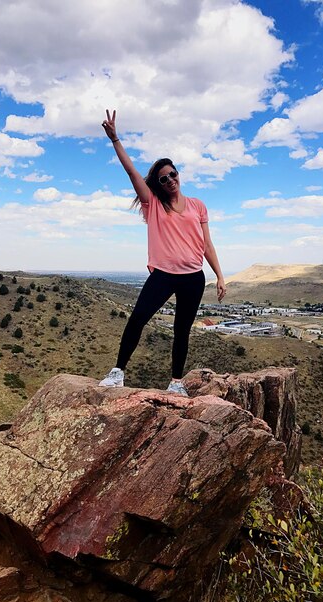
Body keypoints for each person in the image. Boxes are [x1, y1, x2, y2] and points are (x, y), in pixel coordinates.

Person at [99, 110, 226, 396]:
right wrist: (115, 139)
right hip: (163, 276)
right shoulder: (153, 205)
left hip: (193, 277)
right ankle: (118, 372)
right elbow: (131, 172)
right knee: (137, 319)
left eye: (172, 174)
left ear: (178, 174)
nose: (169, 180)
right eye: (163, 179)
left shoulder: (198, 206)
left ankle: (176, 383)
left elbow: (207, 244)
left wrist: (219, 275)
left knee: (182, 331)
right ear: (157, 184)